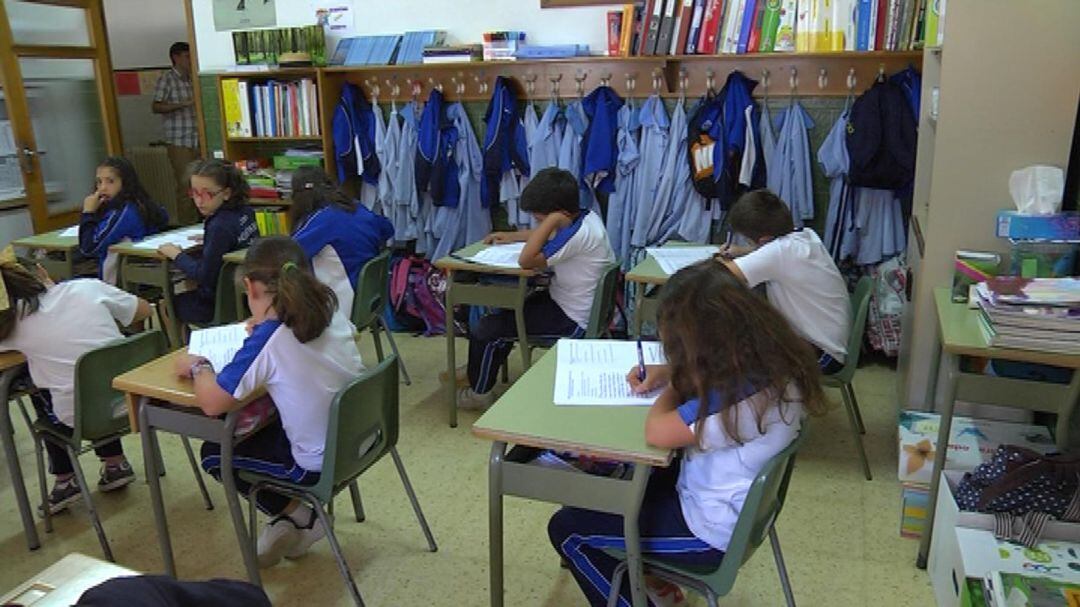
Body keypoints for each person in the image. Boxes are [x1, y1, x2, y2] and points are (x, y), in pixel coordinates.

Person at [548, 261, 827, 607]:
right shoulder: (770, 364)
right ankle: (655, 588)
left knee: (568, 529)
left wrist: (675, 381)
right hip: (735, 510)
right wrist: (671, 371)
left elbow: (657, 430)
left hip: (709, 533)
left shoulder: (738, 404)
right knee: (621, 485)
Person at [174, 237, 364, 568]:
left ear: (250, 286)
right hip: (360, 438)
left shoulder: (271, 337)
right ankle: (290, 520)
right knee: (262, 423)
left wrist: (198, 366)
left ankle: (303, 517)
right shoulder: (328, 308)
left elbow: (213, 403)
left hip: (319, 461)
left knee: (216, 453)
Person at [0, 256, 152, 514]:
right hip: (137, 400)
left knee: (41, 386)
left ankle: (65, 480)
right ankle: (115, 462)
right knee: (91, 372)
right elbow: (145, 310)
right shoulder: (86, 287)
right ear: (42, 270)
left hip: (81, 419)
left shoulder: (15, 324)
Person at [457, 167, 615, 410]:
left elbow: (526, 260)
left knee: (487, 329)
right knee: (505, 313)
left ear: (559, 214)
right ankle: (478, 368)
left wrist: (550, 221)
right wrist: (512, 236)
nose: (541, 225)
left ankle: (479, 393)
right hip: (574, 305)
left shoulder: (577, 235)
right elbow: (549, 235)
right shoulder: (586, 217)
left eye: (541, 220)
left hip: (572, 320)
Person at [717, 189, 851, 373]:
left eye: (748, 241)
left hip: (821, 355)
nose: (748, 244)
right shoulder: (804, 235)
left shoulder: (779, 253)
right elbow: (773, 254)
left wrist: (716, 260)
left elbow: (720, 275)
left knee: (731, 348)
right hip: (829, 342)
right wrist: (743, 251)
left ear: (764, 240)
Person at [160, 159, 257, 326]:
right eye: (194, 193)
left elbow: (203, 275)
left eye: (207, 194)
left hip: (220, 304)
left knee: (167, 304)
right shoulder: (245, 211)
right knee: (190, 284)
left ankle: (182, 342)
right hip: (244, 297)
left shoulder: (219, 226)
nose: (199, 201)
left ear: (226, 193)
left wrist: (176, 254)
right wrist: (209, 240)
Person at [289, 166, 394, 318]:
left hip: (340, 305)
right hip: (368, 299)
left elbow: (288, 252)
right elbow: (388, 228)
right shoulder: (356, 206)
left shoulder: (323, 220)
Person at [79, 157, 169, 284]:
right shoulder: (135, 203)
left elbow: (88, 248)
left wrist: (88, 212)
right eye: (99, 182)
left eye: (110, 181)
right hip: (137, 276)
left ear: (125, 183)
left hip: (120, 283)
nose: (102, 188)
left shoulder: (124, 212)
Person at [152, 41, 200, 226]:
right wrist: (183, 104)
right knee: (185, 185)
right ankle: (187, 225)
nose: (190, 60)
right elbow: (156, 106)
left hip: (197, 139)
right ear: (176, 58)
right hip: (179, 141)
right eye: (187, 56)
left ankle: (200, 222)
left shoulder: (192, 79)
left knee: (200, 182)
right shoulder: (167, 79)